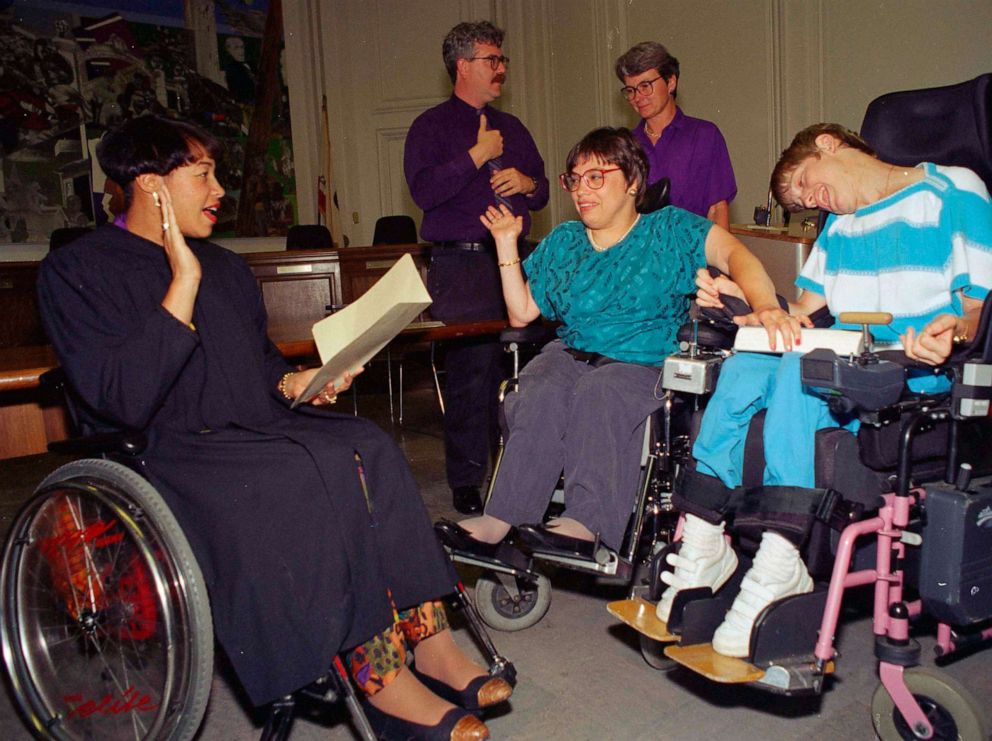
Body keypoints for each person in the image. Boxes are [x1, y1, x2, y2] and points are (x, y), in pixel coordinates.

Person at [37, 116, 512, 741]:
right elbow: (120, 398)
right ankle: (380, 678)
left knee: (366, 444)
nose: (219, 191)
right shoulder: (78, 271)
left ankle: (431, 641)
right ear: (150, 186)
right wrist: (181, 282)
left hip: (253, 427)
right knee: (301, 474)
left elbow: (263, 372)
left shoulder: (227, 269)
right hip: (167, 449)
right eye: (202, 175)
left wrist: (306, 381)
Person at [662, 122, 992, 658]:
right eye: (799, 201)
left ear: (829, 144)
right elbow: (799, 316)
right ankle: (702, 542)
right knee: (745, 366)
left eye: (805, 183)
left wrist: (950, 332)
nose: (808, 201)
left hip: (916, 375)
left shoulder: (954, 191)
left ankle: (783, 553)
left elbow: (978, 313)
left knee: (800, 369)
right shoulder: (839, 229)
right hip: (845, 366)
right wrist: (738, 298)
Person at [436, 127, 795, 557]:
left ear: (632, 182)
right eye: (575, 179)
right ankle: (503, 516)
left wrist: (765, 305)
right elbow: (522, 313)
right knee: (538, 386)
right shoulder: (565, 241)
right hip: (572, 353)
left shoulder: (671, 231)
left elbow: (739, 256)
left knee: (599, 391)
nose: (581, 190)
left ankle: (587, 522)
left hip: (640, 362)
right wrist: (505, 245)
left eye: (596, 177)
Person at [405, 20, 550, 515]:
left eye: (503, 59)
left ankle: (527, 472)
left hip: (517, 259)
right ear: (463, 66)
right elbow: (424, 192)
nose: (502, 69)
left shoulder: (513, 128)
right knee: (472, 376)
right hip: (461, 265)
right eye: (493, 59)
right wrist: (479, 155)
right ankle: (467, 480)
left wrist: (526, 181)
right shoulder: (430, 126)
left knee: (529, 372)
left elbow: (545, 189)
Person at [615, 41, 736, 229]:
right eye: (630, 90)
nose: (637, 97)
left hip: (692, 255)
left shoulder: (704, 136)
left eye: (645, 86)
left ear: (671, 82)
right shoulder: (624, 145)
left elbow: (717, 210)